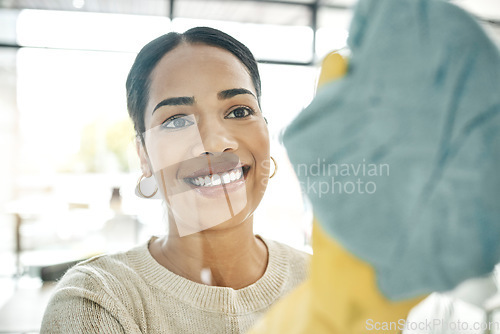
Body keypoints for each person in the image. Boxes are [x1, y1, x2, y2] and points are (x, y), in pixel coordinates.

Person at [40, 27, 310, 333]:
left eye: (239, 111)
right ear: (144, 155)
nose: (214, 143)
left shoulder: (326, 282)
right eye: (177, 120)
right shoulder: (96, 301)